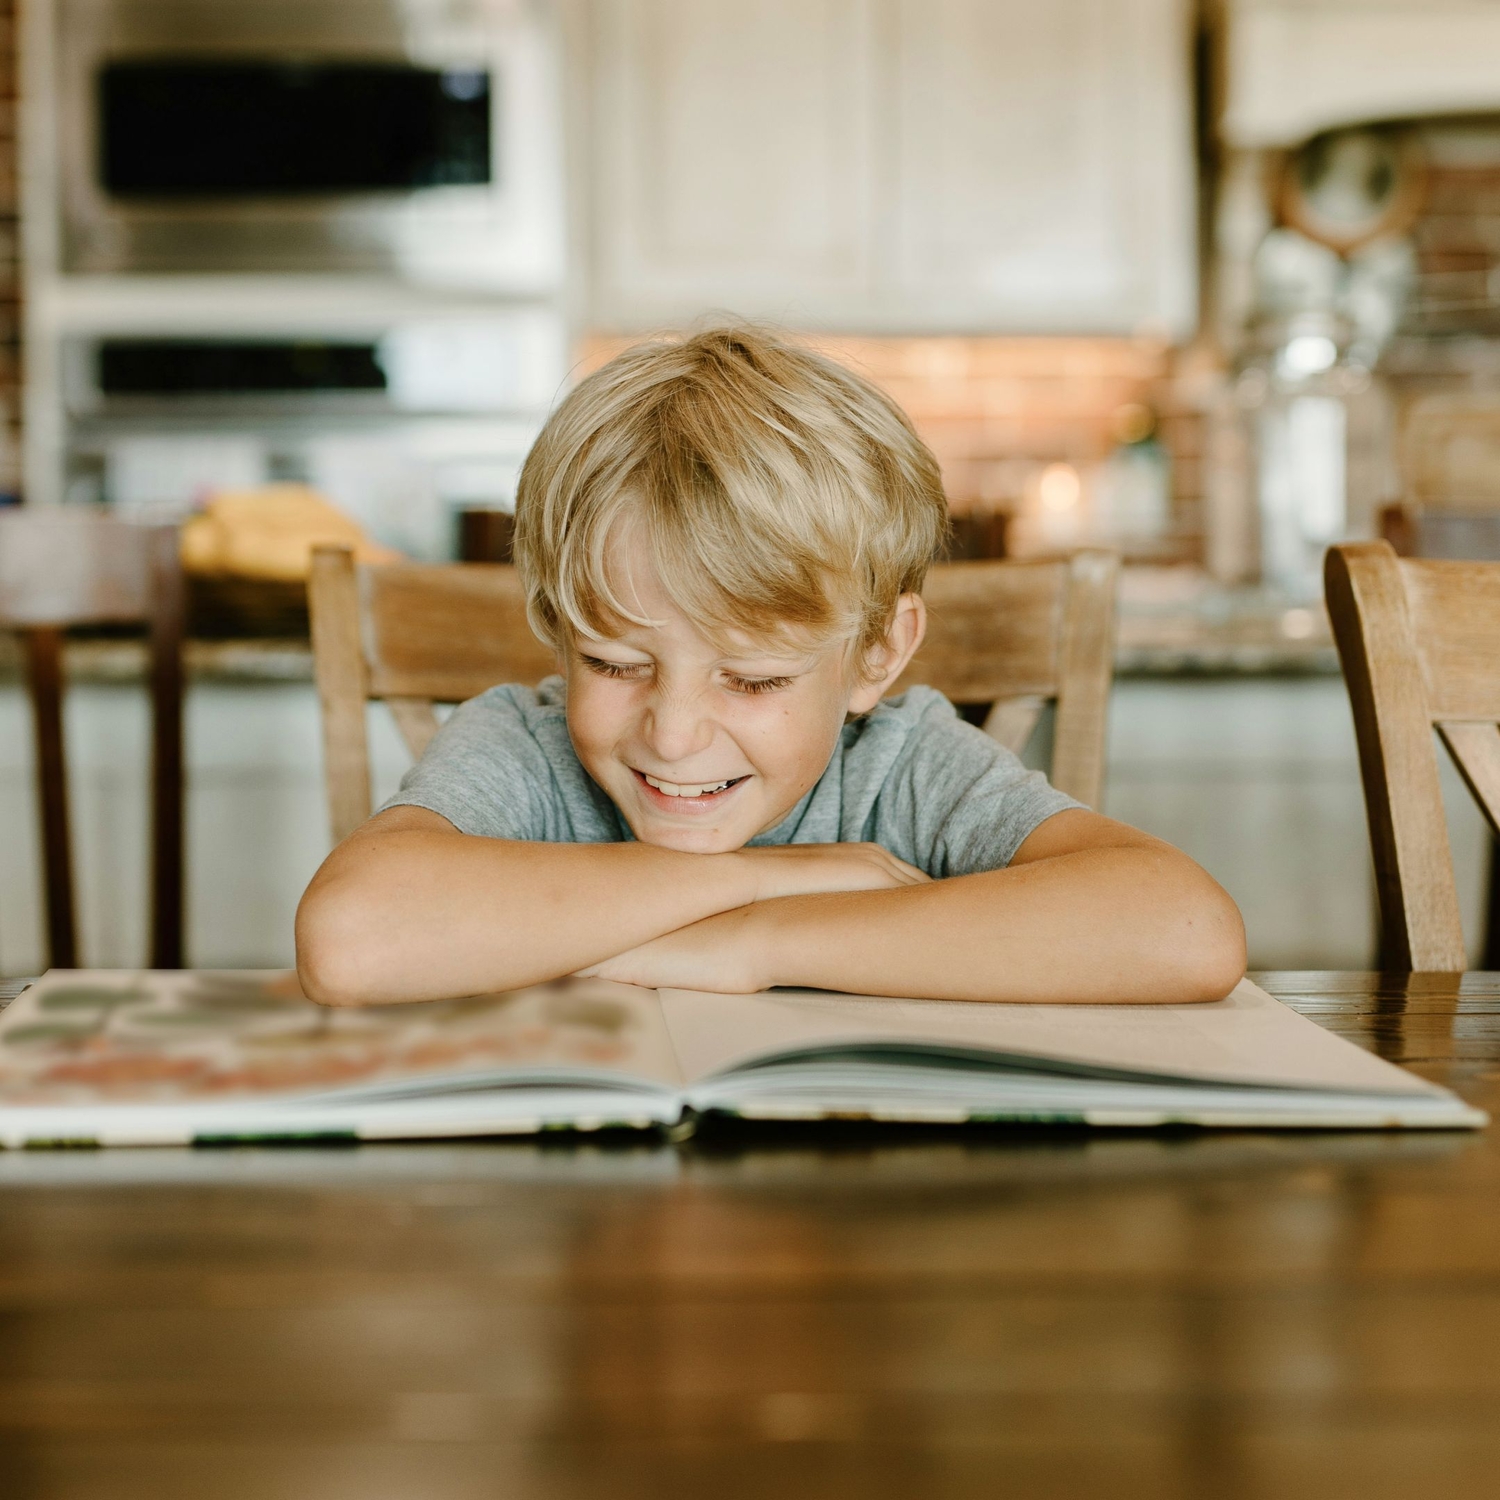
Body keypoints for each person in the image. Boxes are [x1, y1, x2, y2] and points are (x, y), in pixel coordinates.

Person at [296, 326, 1245, 1007]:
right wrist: (776, 876)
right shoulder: (523, 745)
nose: (671, 734)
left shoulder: (902, 763)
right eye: (614, 662)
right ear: (556, 627)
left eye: (751, 680)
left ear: (877, 653)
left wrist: (756, 943)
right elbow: (352, 938)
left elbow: (1183, 931)